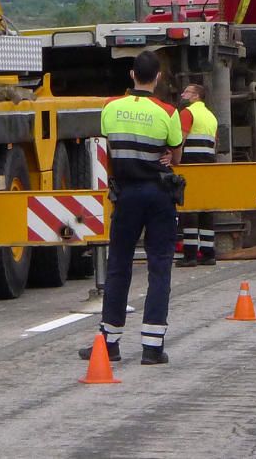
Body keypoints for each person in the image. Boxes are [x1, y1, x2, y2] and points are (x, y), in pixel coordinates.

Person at [79, 50, 183, 365]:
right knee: (159, 266)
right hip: (159, 195)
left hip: (126, 195)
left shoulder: (111, 108)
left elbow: (110, 145)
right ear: (159, 77)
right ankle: (152, 347)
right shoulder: (168, 112)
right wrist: (165, 155)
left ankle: (109, 342)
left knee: (119, 265)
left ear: (131, 75)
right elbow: (176, 157)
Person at [175, 83, 219, 267]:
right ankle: (208, 253)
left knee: (190, 209)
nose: (183, 94)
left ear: (195, 96)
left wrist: (174, 160)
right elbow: (215, 144)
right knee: (205, 208)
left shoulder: (187, 113)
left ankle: (190, 254)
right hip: (208, 166)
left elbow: (181, 139)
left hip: (190, 165)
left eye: (187, 92)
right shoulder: (211, 117)